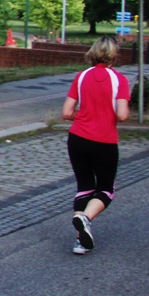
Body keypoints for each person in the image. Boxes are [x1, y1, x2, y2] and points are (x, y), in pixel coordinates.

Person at [61, 35, 130, 255]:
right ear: (114, 54)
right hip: (104, 140)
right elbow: (122, 115)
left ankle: (81, 241)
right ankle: (85, 218)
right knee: (106, 190)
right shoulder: (120, 80)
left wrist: (85, 115)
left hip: (77, 138)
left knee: (84, 187)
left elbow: (66, 112)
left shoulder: (81, 77)